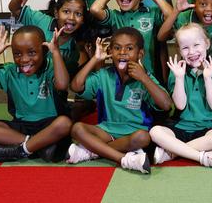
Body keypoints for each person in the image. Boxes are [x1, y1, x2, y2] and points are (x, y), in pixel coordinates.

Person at [66, 28, 172, 174]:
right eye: (117, 48)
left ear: (140, 53)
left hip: (133, 133)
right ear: (110, 51)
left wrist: (144, 78)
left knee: (143, 137)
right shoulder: (104, 75)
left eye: (129, 48)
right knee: (77, 128)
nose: (122, 52)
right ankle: (123, 158)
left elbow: (166, 105)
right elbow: (75, 86)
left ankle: (93, 151)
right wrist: (95, 59)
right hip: (106, 130)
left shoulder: (145, 77)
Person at [0, 26, 72, 163]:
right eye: (17, 54)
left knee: (64, 123)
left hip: (49, 125)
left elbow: (62, 84)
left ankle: (19, 151)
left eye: (32, 53)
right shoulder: (9, 71)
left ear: (44, 51)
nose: (24, 59)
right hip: (22, 127)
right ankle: (37, 146)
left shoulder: (51, 67)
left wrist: (55, 52)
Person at [149, 24, 212, 169]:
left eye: (196, 45)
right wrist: (179, 78)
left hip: (207, 127)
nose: (191, 52)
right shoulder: (177, 71)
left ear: (207, 43)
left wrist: (208, 78)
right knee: (155, 132)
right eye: (185, 48)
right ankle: (201, 156)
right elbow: (180, 105)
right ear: (179, 50)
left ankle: (173, 153)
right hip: (181, 126)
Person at [89, 0, 174, 80]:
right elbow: (95, 9)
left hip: (150, 76)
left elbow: (171, 15)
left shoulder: (152, 13)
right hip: (123, 77)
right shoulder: (115, 16)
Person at [9, 0, 87, 77]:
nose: (72, 17)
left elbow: (66, 74)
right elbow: (15, 9)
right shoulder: (41, 21)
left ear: (83, 19)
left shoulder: (75, 45)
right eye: (66, 12)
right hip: (28, 78)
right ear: (56, 13)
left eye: (78, 14)